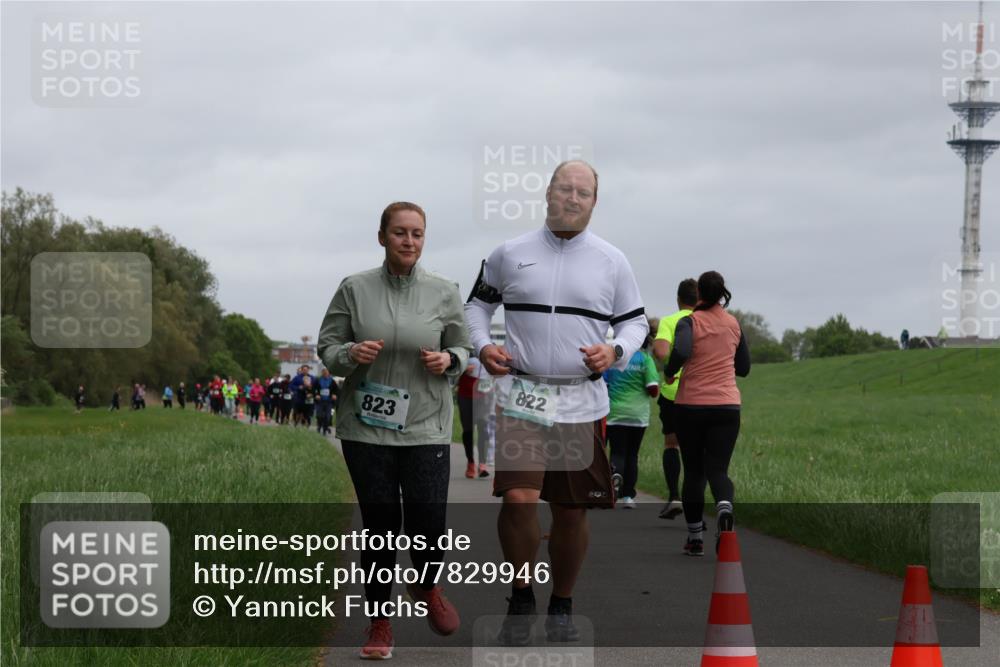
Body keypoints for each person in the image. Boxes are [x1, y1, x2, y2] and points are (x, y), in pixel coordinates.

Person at [464, 160, 648, 644]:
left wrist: (616, 350)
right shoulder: (509, 253)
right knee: (520, 498)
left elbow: (635, 323)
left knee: (571, 511)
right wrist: (484, 347)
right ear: (547, 194)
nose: (572, 198)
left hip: (580, 401)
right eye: (564, 189)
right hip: (523, 393)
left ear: (594, 202)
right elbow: (476, 307)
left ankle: (562, 603)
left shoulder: (612, 261)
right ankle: (522, 593)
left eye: (582, 192)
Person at [318, 201, 472, 659]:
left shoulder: (445, 291)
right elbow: (328, 346)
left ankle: (425, 585)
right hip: (366, 426)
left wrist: (450, 360)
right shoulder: (354, 288)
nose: (409, 241)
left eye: (417, 234)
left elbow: (462, 345)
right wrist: (350, 355)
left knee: (427, 519)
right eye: (400, 232)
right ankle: (380, 623)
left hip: (425, 422)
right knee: (381, 526)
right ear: (382, 236)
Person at [663, 271, 751, 557]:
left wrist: (671, 369)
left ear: (699, 293)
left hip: (691, 407)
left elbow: (683, 348)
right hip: (727, 407)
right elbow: (744, 367)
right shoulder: (733, 323)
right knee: (718, 470)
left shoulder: (690, 321)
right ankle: (724, 506)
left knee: (694, 472)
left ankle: (695, 538)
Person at [651, 279, 698, 520]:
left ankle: (674, 497)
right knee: (697, 450)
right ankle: (697, 509)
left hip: (674, 392)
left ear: (678, 299)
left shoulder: (670, 321)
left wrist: (670, 367)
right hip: (703, 392)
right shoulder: (707, 321)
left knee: (672, 444)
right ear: (699, 299)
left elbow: (660, 351)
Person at [603, 336, 660, 508]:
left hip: (614, 413)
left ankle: (612, 490)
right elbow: (653, 389)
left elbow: (604, 384)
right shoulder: (645, 359)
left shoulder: (614, 358)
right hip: (638, 416)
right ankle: (628, 496)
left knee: (617, 453)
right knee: (632, 455)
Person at [457, 358, 491, 479]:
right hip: (465, 395)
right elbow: (451, 370)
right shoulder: (465, 346)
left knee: (483, 427)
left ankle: (482, 464)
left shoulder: (489, 346)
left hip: (483, 395)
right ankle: (471, 462)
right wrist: (462, 369)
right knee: (468, 430)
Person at [315, 368, 338, 435]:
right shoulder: (318, 380)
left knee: (328, 417)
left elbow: (336, 390)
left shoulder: (332, 381)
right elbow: (314, 388)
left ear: (328, 373)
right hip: (320, 401)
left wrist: (334, 395)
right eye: (324, 372)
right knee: (319, 415)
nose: (325, 373)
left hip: (329, 401)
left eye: (326, 372)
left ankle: (325, 428)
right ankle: (319, 426)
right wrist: (316, 395)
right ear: (322, 373)